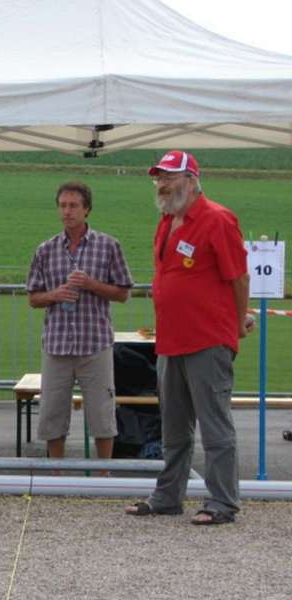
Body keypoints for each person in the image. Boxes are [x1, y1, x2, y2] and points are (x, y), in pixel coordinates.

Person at [125, 151, 254, 525]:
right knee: (174, 427)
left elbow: (239, 278)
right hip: (171, 341)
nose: (162, 185)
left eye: (169, 177)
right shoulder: (166, 221)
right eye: (158, 179)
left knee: (214, 424)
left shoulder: (217, 219)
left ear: (192, 180)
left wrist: (233, 325)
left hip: (207, 339)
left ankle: (223, 502)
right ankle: (168, 496)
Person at [26, 181, 133, 461]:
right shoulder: (45, 250)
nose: (67, 211)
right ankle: (56, 474)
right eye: (62, 205)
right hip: (57, 345)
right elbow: (33, 298)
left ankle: (104, 474)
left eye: (73, 206)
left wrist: (91, 284)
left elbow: (122, 293)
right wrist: (54, 295)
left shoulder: (109, 246)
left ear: (87, 210)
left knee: (101, 413)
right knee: (52, 413)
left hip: (94, 344)